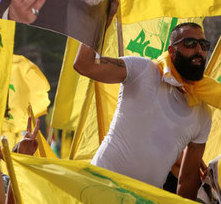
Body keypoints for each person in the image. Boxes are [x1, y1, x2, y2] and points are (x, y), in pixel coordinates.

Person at [73, 22, 213, 200]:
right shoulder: (143, 70)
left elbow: (186, 183)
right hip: (99, 188)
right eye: (190, 44)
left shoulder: (203, 114)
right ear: (172, 50)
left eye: (204, 45)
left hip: (144, 200)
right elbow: (85, 65)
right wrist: (98, 20)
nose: (199, 50)